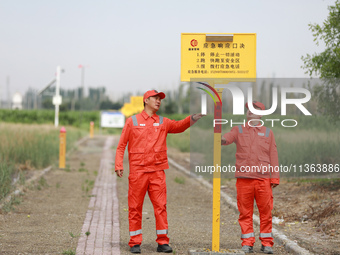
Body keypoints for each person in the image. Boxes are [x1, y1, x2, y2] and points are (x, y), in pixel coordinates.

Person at [115, 89, 203, 254]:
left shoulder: (163, 122)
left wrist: (191, 119)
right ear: (146, 100)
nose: (159, 101)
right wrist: (119, 164)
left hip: (157, 172)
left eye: (160, 99)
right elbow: (121, 145)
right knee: (135, 207)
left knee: (160, 207)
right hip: (138, 172)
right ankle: (135, 242)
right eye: (155, 98)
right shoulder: (132, 121)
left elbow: (178, 126)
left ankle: (162, 242)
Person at [221, 100, 279, 254]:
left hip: (263, 180)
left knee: (265, 212)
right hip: (244, 180)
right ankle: (247, 243)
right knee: (245, 213)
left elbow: (273, 155)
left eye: (254, 110)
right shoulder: (238, 130)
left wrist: (275, 178)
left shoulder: (268, 132)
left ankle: (267, 243)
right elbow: (227, 138)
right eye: (248, 110)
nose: (250, 112)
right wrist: (220, 138)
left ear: (261, 114)